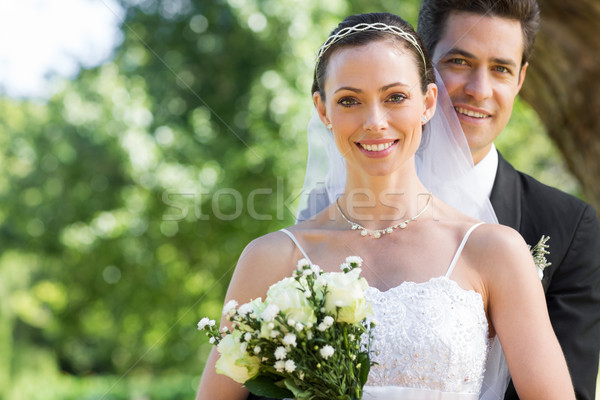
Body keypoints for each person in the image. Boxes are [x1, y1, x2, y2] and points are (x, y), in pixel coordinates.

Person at [197, 12, 575, 400]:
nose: (375, 121)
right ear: (323, 110)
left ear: (428, 102)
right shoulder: (270, 258)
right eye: (349, 101)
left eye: (395, 97)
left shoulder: (493, 251)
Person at [417, 1, 600, 399]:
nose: (479, 90)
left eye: (500, 69)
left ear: (520, 80)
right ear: (422, 66)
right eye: (460, 62)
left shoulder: (569, 228)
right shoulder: (344, 204)